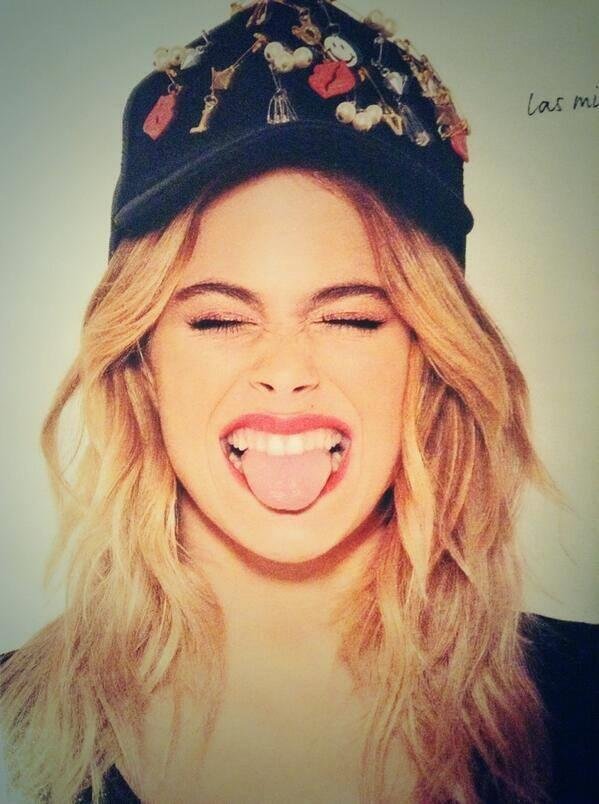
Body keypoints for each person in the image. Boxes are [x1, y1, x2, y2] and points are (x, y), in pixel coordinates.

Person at [1, 1, 596, 802]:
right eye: (219, 319)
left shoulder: (584, 703)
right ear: (142, 365)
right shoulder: (12, 726)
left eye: (350, 318)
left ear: (431, 358)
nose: (284, 372)